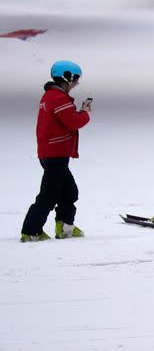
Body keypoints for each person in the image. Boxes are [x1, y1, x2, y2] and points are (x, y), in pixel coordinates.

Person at [21, 60, 92, 242]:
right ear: (67, 77)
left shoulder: (50, 96)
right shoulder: (58, 99)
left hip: (51, 154)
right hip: (55, 154)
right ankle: (31, 231)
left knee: (69, 192)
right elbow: (73, 122)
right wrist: (85, 112)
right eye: (75, 78)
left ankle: (65, 227)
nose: (77, 83)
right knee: (49, 194)